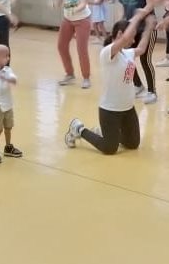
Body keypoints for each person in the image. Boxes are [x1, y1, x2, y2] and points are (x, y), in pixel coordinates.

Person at [64, 10, 155, 155]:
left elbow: (142, 48)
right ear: (119, 34)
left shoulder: (127, 53)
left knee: (133, 144)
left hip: (128, 108)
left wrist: (149, 27)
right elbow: (126, 38)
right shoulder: (107, 53)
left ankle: (105, 133)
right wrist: (138, 17)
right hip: (110, 110)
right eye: (132, 37)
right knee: (110, 148)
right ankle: (79, 129)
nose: (133, 41)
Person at [117, 0, 158, 104]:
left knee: (145, 59)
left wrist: (139, 16)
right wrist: (121, 25)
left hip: (147, 26)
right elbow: (123, 9)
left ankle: (152, 91)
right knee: (127, 57)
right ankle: (138, 85)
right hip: (131, 28)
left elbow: (150, 4)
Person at [55, 0, 92, 89]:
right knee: (61, 46)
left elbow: (84, 3)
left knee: (81, 49)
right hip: (67, 20)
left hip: (82, 20)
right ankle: (69, 74)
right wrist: (55, 4)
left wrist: (75, 10)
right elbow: (59, 0)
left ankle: (86, 77)